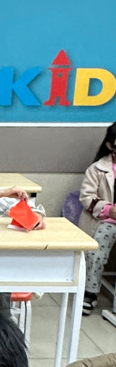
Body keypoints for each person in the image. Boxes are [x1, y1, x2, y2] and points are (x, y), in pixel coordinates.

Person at [78, 122, 116, 317]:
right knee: (97, 249)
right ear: (110, 145)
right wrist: (109, 210)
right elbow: (86, 197)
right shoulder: (97, 169)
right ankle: (90, 291)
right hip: (106, 220)